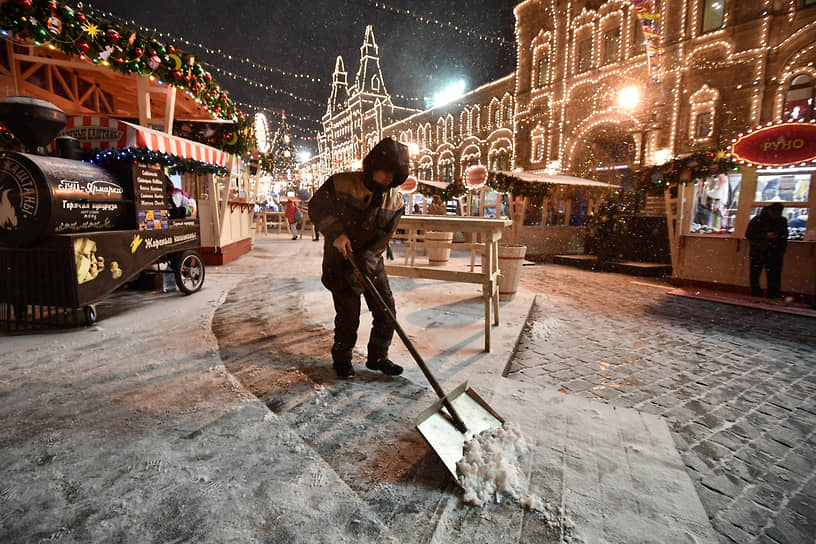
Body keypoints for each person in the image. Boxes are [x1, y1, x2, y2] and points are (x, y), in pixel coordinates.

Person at [308, 138, 410, 379]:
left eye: (394, 174)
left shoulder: (395, 201)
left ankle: (378, 357)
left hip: (371, 263)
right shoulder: (341, 183)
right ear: (373, 165)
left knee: (386, 312)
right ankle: (342, 359)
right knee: (348, 316)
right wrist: (337, 233)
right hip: (339, 261)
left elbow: (384, 238)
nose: (388, 178)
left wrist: (366, 261)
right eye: (385, 170)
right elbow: (316, 208)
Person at [746, 203, 788, 302]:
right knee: (758, 274)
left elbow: (784, 236)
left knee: (771, 274)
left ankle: (771, 294)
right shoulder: (758, 220)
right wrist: (766, 236)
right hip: (762, 250)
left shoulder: (779, 220)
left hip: (769, 251)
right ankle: (760, 294)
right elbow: (749, 234)